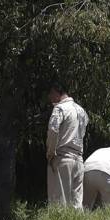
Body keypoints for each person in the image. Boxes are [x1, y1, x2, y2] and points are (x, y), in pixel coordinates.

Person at [46, 81, 89, 209]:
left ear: (58, 92)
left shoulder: (60, 108)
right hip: (79, 160)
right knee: (77, 203)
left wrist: (50, 153)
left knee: (60, 203)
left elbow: (53, 130)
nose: (50, 97)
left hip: (63, 158)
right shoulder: (82, 111)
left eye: (51, 93)